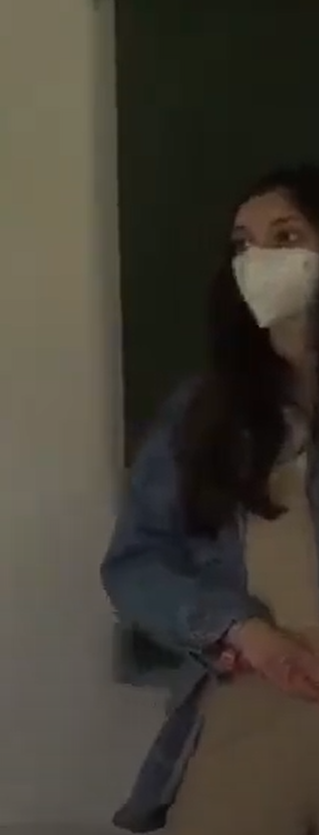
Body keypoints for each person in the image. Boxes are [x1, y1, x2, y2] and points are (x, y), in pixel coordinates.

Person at [102, 164, 319, 833]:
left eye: (286, 237)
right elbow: (136, 564)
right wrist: (242, 631)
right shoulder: (205, 411)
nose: (260, 260)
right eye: (243, 244)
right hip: (265, 682)